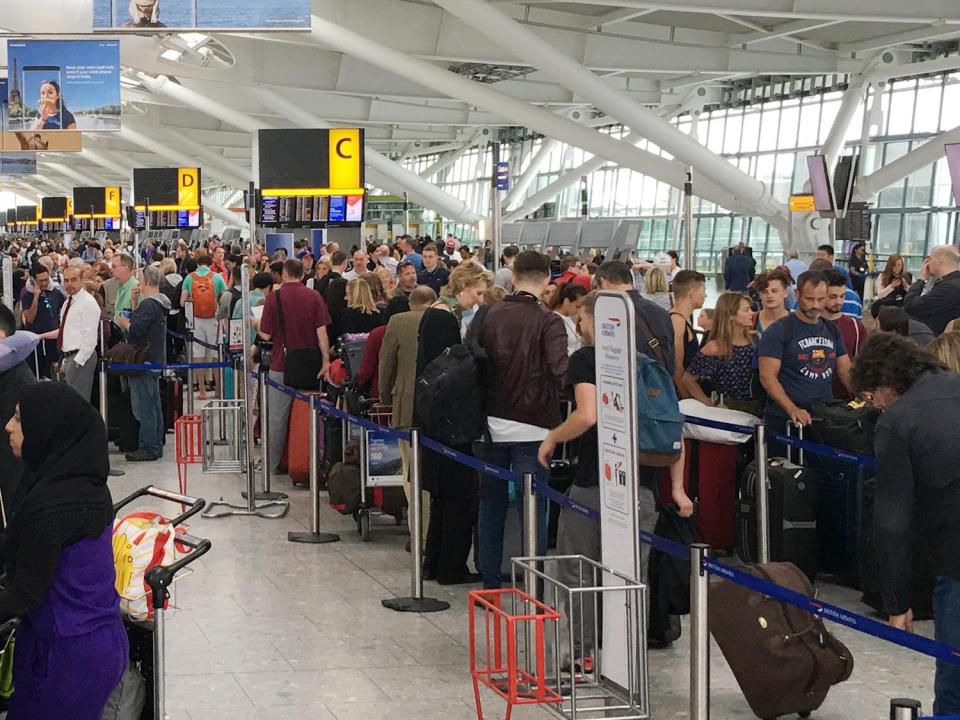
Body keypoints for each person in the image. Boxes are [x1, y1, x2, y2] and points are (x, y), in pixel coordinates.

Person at [849, 333, 960, 716]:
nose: (875, 406)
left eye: (870, 397)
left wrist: (896, 603)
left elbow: (891, 521)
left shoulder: (898, 420)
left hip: (956, 561)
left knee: (955, 683)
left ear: (885, 383)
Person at [2, 382, 127, 719]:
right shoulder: (81, 481)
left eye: (18, 419)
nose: (8, 427)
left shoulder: (52, 505)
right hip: (94, 638)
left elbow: (25, 593)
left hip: (67, 653)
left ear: (45, 429)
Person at [473, 251, 567, 589]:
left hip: (490, 425)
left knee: (491, 505)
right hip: (535, 426)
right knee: (533, 509)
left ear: (513, 278)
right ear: (547, 283)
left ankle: (490, 583)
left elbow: (473, 366)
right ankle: (534, 586)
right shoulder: (549, 321)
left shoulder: (487, 315)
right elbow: (560, 372)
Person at [416, 306, 480, 585]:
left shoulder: (426, 368)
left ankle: (432, 562)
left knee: (439, 505)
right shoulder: (455, 368)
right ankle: (451, 567)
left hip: (430, 442)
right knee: (459, 505)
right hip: (455, 445)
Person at [758, 271, 852, 439]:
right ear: (797, 294)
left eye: (821, 299)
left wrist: (862, 394)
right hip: (785, 419)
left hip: (822, 415)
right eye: (810, 299)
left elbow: (845, 369)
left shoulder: (832, 330)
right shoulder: (779, 331)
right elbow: (767, 376)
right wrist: (792, 409)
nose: (816, 305)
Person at [258, 259, 332, 476]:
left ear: (284, 273)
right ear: (302, 274)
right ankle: (308, 463)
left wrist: (254, 324)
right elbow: (322, 333)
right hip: (310, 365)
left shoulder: (274, 298)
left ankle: (271, 465)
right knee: (307, 418)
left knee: (277, 417)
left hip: (281, 364)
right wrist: (326, 361)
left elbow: (266, 334)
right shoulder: (314, 296)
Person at [379, 286, 439, 539]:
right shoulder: (446, 320)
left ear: (410, 303)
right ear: (433, 301)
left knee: (410, 471)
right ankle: (433, 530)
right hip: (438, 405)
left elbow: (386, 363)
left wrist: (384, 397)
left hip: (406, 403)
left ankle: (419, 533)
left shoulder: (397, 321)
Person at [117, 266, 170, 461]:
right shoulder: (161, 303)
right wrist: (133, 303)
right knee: (153, 404)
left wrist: (125, 323)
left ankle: (149, 446)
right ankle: (156, 442)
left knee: (145, 406)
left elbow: (136, 331)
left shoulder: (149, 305)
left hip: (143, 360)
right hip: (155, 358)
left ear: (147, 282)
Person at [681, 292, 759, 414]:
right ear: (731, 315)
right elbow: (688, 379)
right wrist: (708, 404)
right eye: (746, 310)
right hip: (728, 409)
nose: (752, 313)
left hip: (758, 406)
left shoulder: (757, 339)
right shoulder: (714, 347)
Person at [49, 266, 101, 403]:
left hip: (80, 358)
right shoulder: (67, 302)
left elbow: (90, 337)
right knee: (70, 403)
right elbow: (65, 331)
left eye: (73, 280)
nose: (69, 284)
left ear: (82, 280)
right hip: (68, 357)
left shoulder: (88, 303)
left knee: (79, 404)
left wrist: (78, 361)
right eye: (66, 280)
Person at [180, 254, 228, 401]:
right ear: (209, 263)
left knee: (198, 356)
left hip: (196, 321)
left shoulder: (189, 278)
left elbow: (182, 302)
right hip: (214, 319)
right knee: (215, 356)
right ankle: (218, 390)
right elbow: (225, 299)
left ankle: (201, 391)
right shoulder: (217, 277)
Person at [823, 269, 866, 402]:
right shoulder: (807, 325)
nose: (839, 301)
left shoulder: (855, 327)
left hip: (845, 399)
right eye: (833, 297)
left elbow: (863, 363)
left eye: (842, 296)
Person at [20, 263, 65, 379]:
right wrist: (36, 297)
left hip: (52, 339)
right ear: (33, 280)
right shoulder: (26, 295)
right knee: (36, 372)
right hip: (35, 341)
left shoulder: (55, 292)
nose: (44, 283)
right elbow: (29, 318)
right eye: (40, 281)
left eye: (46, 279)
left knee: (53, 372)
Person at [903, 245, 960, 337]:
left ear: (939, 260)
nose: (927, 264)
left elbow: (910, 306)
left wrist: (921, 279)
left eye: (929, 260)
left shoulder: (948, 288)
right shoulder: (953, 283)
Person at [669, 270, 707, 390]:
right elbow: (677, 366)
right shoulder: (677, 321)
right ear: (692, 293)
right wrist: (687, 396)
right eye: (703, 291)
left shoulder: (684, 319)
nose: (705, 295)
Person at [434, 262, 491, 336]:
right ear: (462, 286)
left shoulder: (456, 309)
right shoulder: (443, 315)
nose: (481, 300)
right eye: (479, 293)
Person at [551, 282, 587, 356]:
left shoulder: (570, 318)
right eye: (577, 306)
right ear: (566, 301)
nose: (579, 311)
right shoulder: (554, 321)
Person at [754, 269, 791, 334]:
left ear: (785, 292)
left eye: (774, 291)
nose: (769, 295)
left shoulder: (798, 321)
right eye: (764, 292)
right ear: (759, 294)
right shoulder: (751, 321)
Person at [111, 253, 139, 325]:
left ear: (125, 267)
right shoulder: (121, 286)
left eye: (114, 266)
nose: (111, 270)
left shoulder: (137, 289)